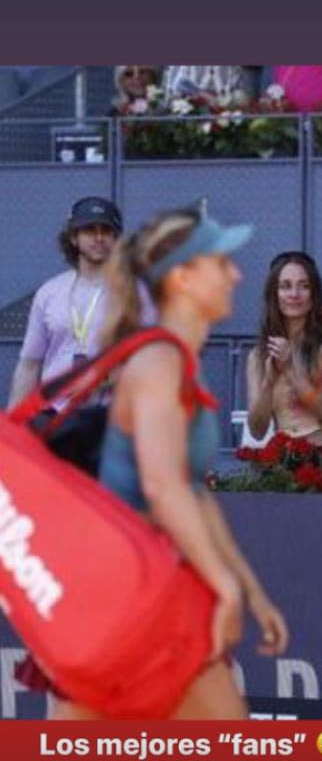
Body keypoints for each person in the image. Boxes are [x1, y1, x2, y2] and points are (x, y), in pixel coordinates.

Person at [45, 208, 288, 719]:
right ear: (182, 277)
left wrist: (247, 587)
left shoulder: (175, 362)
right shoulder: (160, 362)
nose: (237, 274)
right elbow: (161, 486)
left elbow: (192, 492)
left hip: (142, 592)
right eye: (220, 262)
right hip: (126, 597)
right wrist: (223, 585)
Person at [8, 196, 156, 407]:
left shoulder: (136, 292)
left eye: (106, 231)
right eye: (89, 230)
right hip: (56, 418)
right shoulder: (49, 293)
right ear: (73, 238)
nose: (98, 238)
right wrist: (11, 429)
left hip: (112, 417)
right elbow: (30, 365)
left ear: (117, 240)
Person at [247, 251, 322, 445]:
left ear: (314, 293)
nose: (294, 294)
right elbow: (257, 431)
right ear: (273, 294)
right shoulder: (258, 355)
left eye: (304, 286)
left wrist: (291, 369)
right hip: (280, 466)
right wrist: (268, 383)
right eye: (285, 286)